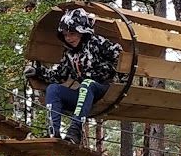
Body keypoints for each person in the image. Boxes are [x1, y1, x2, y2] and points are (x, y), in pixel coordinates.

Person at [24, 8, 121, 144]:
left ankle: (75, 131)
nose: (69, 38)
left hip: (104, 89)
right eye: (65, 34)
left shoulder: (98, 43)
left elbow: (120, 56)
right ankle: (53, 133)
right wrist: (38, 71)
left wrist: (121, 79)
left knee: (88, 83)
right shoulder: (69, 53)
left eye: (72, 33)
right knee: (53, 89)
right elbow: (60, 76)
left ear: (83, 32)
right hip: (83, 94)